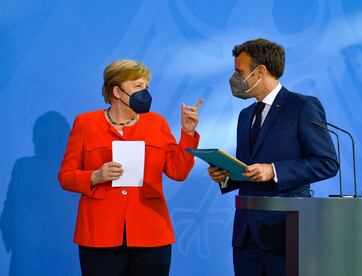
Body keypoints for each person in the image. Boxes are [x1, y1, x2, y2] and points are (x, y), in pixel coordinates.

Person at [58, 59, 203, 276]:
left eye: (146, 87)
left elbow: (178, 172)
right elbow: (66, 176)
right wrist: (96, 176)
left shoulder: (157, 123)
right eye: (138, 86)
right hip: (100, 235)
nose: (144, 92)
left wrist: (188, 134)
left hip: (151, 233)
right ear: (116, 91)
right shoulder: (85, 124)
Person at [208, 38, 339, 276]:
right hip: (246, 234)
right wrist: (226, 176)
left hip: (285, 233)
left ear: (260, 72)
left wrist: (274, 170)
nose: (235, 78)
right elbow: (246, 170)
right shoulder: (245, 115)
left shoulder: (302, 106)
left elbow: (327, 163)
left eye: (240, 71)